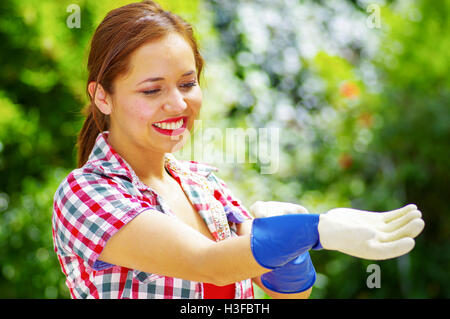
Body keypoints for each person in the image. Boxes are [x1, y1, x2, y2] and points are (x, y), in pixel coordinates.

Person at [52, 0, 425, 299]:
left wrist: (289, 249)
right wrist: (318, 229)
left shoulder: (205, 185)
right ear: (102, 96)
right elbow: (208, 263)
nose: (178, 105)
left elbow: (288, 294)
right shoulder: (86, 194)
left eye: (187, 83)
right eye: (152, 90)